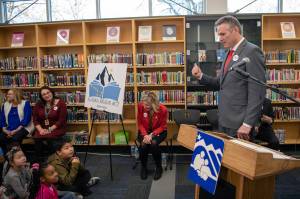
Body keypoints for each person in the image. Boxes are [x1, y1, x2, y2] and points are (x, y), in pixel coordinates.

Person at [192, 15, 266, 140]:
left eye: (223, 34)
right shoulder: (228, 53)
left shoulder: (252, 51)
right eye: (218, 35)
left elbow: (257, 91)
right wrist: (200, 76)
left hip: (241, 123)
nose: (219, 39)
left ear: (235, 30)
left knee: (241, 159)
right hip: (225, 120)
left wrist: (248, 123)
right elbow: (221, 83)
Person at [137, 92, 168, 180]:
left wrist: (152, 134)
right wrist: (145, 135)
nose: (145, 106)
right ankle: (144, 167)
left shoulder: (163, 109)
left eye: (147, 105)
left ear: (154, 104)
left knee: (154, 143)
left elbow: (163, 126)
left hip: (160, 131)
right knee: (143, 144)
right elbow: (139, 123)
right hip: (144, 131)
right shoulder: (140, 106)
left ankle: (159, 167)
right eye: (144, 104)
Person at [32, 86, 67, 162]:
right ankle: (38, 161)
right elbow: (35, 119)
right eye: (44, 94)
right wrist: (40, 129)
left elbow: (61, 120)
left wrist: (50, 129)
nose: (47, 95)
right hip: (43, 128)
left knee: (50, 138)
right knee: (37, 138)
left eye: (48, 92)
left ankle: (53, 160)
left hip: (57, 128)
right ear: (41, 96)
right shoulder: (39, 104)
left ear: (52, 92)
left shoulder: (61, 103)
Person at [0, 89, 34, 153]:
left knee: (15, 139)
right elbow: (2, 118)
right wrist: (4, 130)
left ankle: (18, 156)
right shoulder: (5, 104)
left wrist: (16, 131)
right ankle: (7, 155)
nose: (7, 95)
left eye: (10, 94)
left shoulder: (25, 103)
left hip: (24, 127)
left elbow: (27, 118)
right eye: (7, 94)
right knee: (1, 138)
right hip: (9, 128)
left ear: (16, 95)